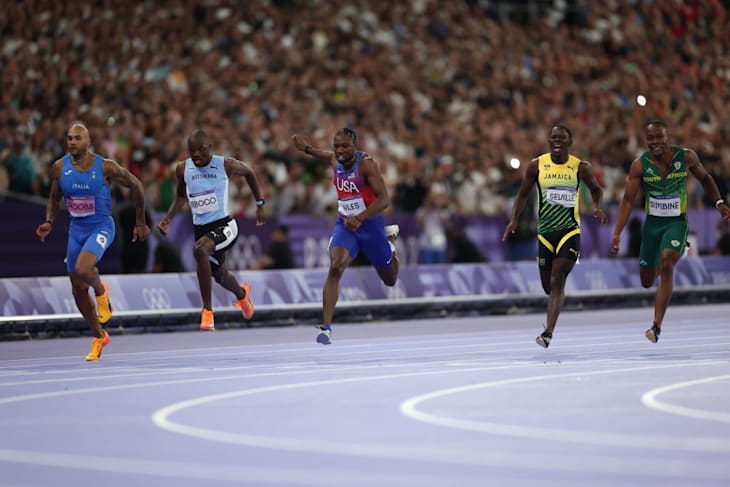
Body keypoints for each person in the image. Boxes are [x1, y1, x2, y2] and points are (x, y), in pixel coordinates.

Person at [35, 123, 151, 361]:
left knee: (83, 268)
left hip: (101, 226)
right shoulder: (59, 168)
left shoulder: (106, 167)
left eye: (78, 138)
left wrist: (140, 221)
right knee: (77, 288)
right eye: (69, 138)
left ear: (88, 141)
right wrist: (49, 220)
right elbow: (54, 197)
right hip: (76, 229)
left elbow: (137, 185)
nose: (72, 142)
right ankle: (99, 337)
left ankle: (101, 290)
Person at [611, 120, 730, 342]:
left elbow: (705, 178)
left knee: (667, 262)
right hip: (653, 226)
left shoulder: (686, 157)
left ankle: (656, 326)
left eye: (659, 137)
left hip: (676, 222)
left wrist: (719, 203)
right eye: (650, 138)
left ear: (668, 137)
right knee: (647, 280)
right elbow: (627, 200)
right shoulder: (639, 165)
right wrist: (618, 232)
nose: (655, 142)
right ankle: (664, 253)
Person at [503, 124, 607, 348]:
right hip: (545, 234)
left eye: (561, 137)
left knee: (558, 278)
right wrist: (514, 219)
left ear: (569, 142)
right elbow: (522, 195)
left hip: (569, 231)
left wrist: (597, 206)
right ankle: (554, 308)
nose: (557, 141)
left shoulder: (580, 167)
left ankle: (548, 333)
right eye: (553, 137)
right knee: (548, 286)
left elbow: (597, 189)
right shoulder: (537, 165)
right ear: (549, 141)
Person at [291, 128, 400, 344]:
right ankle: (326, 328)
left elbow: (384, 200)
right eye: (336, 146)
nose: (339, 151)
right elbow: (328, 156)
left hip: (369, 225)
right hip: (345, 225)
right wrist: (307, 149)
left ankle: (390, 245)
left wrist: (360, 217)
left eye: (345, 146)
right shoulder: (336, 160)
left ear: (355, 146)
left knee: (390, 279)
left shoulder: (366, 164)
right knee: (336, 266)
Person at [157, 129, 265, 331]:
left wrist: (259, 203)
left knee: (200, 250)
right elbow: (181, 196)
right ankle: (243, 295)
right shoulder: (182, 169)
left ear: (210, 148)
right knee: (220, 274)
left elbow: (249, 172)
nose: (196, 154)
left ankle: (207, 312)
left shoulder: (225, 164)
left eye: (201, 150)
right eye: (192, 151)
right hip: (201, 229)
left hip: (225, 226)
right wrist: (168, 219)